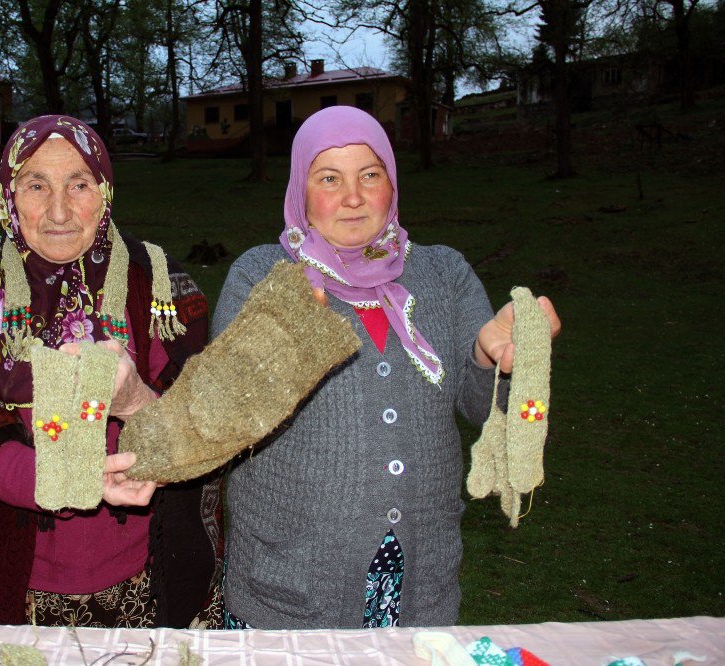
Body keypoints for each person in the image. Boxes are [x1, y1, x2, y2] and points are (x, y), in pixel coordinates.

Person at [212, 106, 560, 630]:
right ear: (301, 192)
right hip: (291, 586)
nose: (353, 197)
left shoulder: (443, 273)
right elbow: (224, 419)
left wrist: (493, 358)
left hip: (417, 580)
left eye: (369, 175)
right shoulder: (261, 275)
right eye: (329, 178)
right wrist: (279, 342)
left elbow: (482, 405)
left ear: (391, 184)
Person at [0, 115, 223, 628]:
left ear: (105, 190)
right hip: (14, 579)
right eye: (36, 184)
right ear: (9, 192)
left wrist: (137, 400)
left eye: (79, 184)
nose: (58, 210)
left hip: (152, 572)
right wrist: (65, 477)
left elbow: (207, 433)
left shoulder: (159, 283)